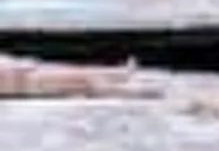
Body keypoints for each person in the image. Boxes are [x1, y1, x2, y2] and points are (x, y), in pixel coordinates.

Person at [0, 54, 158, 100]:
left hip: (15, 72)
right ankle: (120, 87)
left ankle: (114, 73)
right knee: (77, 80)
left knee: (46, 68)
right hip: (16, 80)